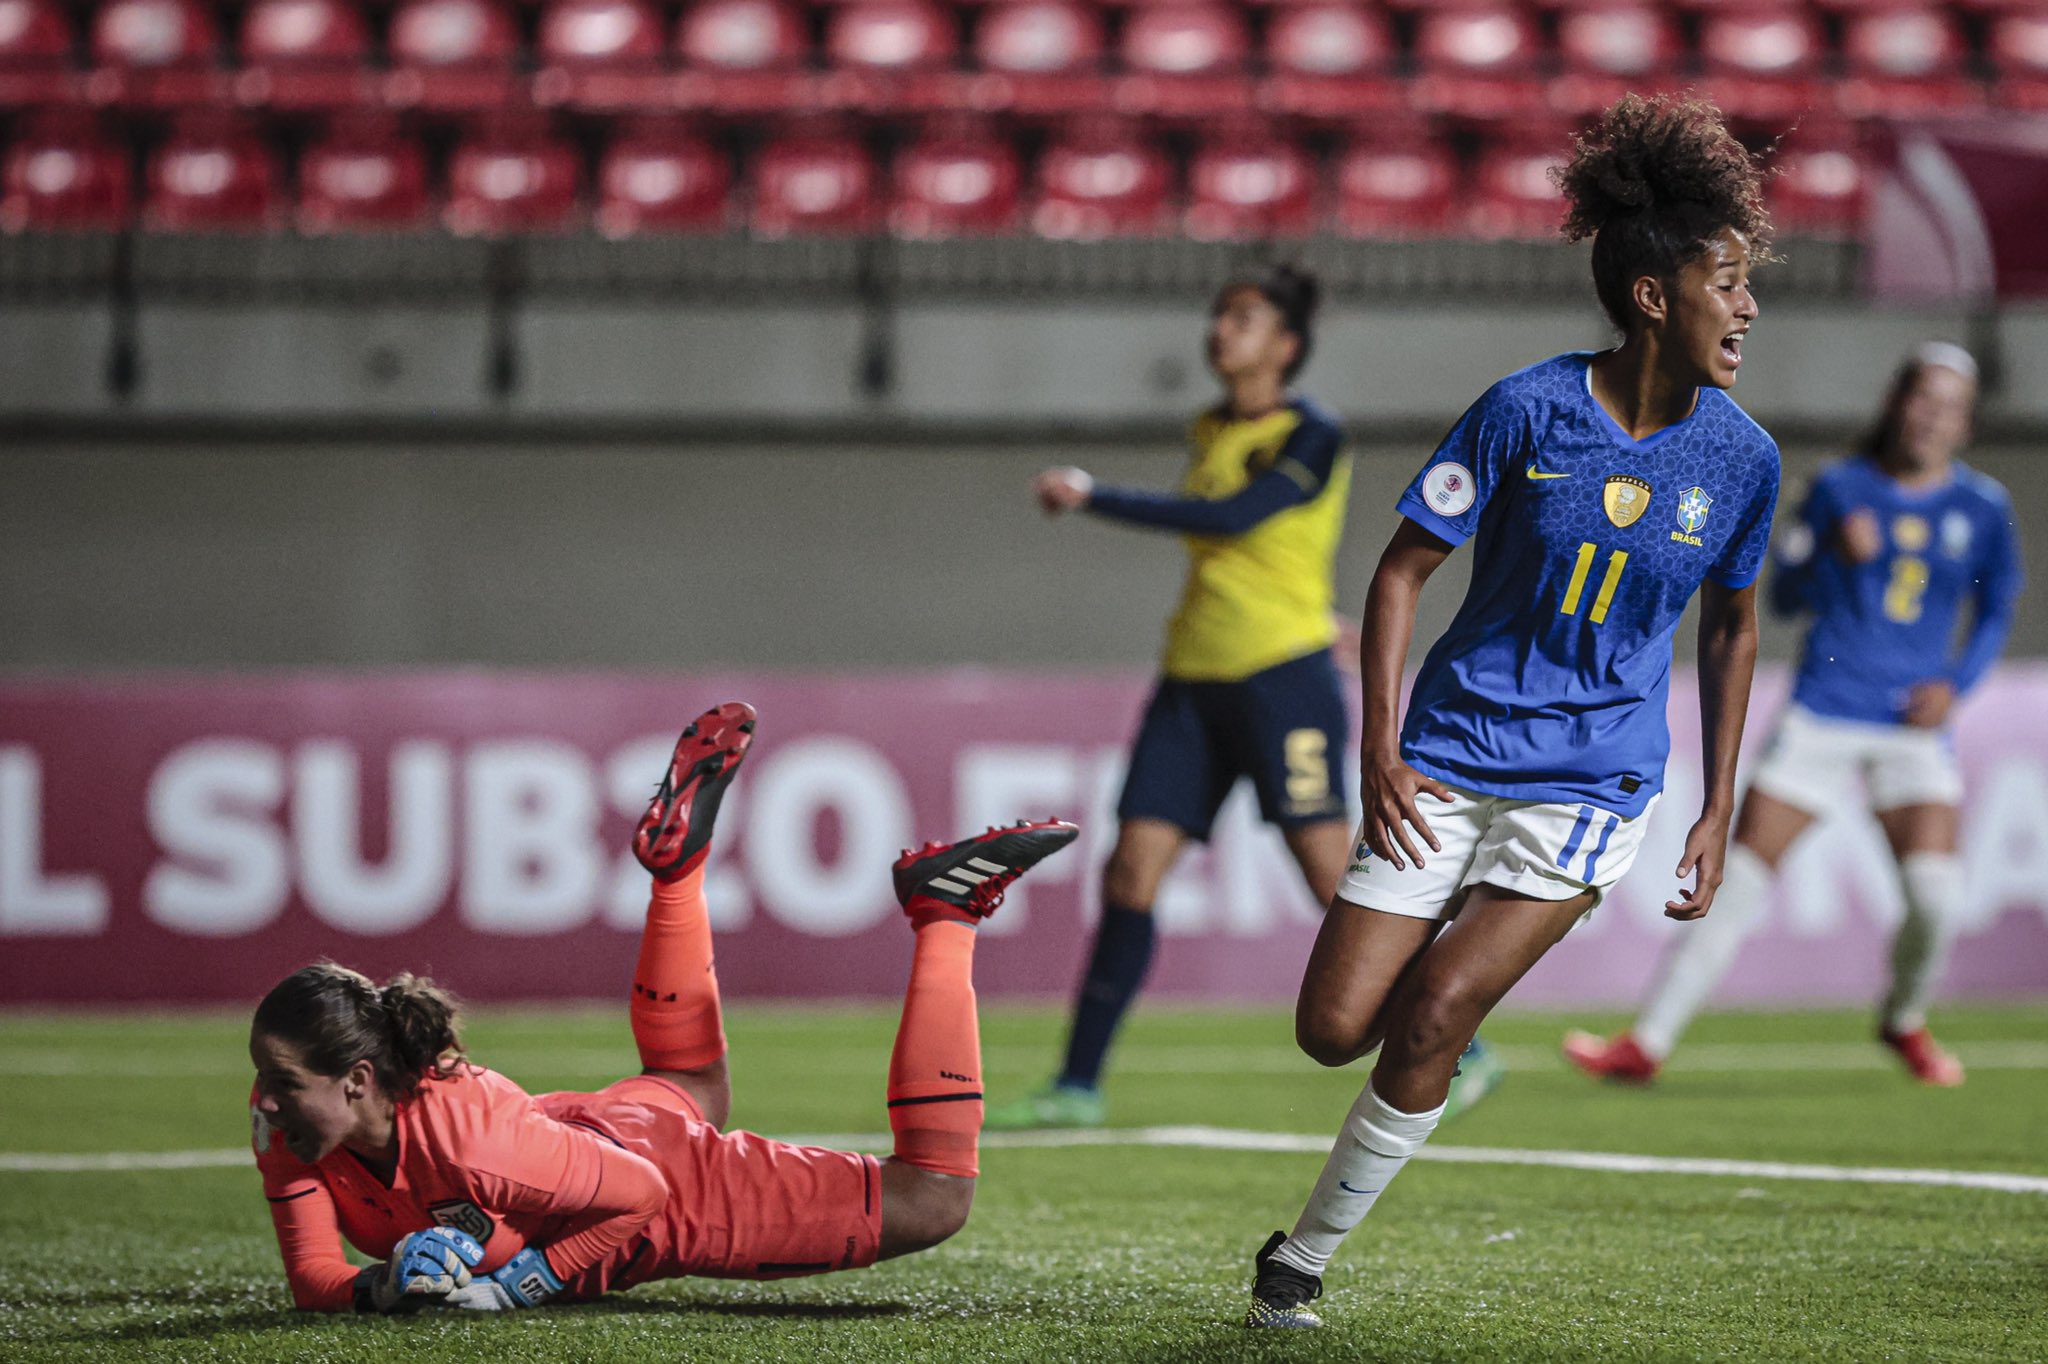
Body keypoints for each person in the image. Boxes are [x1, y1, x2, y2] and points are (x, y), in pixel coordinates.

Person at [1241, 93, 1781, 1329]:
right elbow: (1397, 571)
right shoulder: (1523, 410)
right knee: (1331, 1028)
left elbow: (1733, 625)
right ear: (1653, 295)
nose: (1747, 306)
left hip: (1590, 787)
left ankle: (1302, 1257)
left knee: (1435, 1009)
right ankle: (1423, 1034)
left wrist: (1714, 798)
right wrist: (1378, 743)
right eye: (1727, 281)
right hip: (1445, 755)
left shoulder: (1742, 459)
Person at [249, 700, 1077, 1313]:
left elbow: (640, 1192)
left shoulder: (472, 1146)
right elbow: (313, 1278)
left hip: (655, 1187)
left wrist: (518, 1286)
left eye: (283, 1079)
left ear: (358, 1079)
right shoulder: (290, 1122)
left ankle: (945, 915)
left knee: (933, 1200)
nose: (267, 1100)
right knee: (691, 1078)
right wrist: (386, 1283)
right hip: (586, 1131)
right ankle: (676, 879)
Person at [995, 264, 1505, 1132]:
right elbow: (1258, 559)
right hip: (1192, 680)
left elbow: (1237, 521)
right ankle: (1077, 1086)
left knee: (1326, 870)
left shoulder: (1315, 433)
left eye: (1242, 318)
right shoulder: (1209, 426)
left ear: (1286, 346)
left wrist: (1092, 495)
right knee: (1130, 870)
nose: (1220, 331)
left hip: (1281, 682)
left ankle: (1461, 1042)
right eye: (1219, 315)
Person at [1563, 343, 2023, 1088]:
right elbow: (1780, 600)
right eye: (1922, 399)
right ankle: (1645, 1044)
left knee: (1936, 901)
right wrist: (1828, 560)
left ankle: (1902, 1019)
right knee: (1736, 883)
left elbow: (1998, 604)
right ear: (1896, 405)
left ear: (1966, 425)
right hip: (1824, 715)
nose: (1932, 418)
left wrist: (1958, 685)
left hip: (1911, 729)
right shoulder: (1839, 488)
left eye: (1949, 407)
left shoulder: (1984, 508)